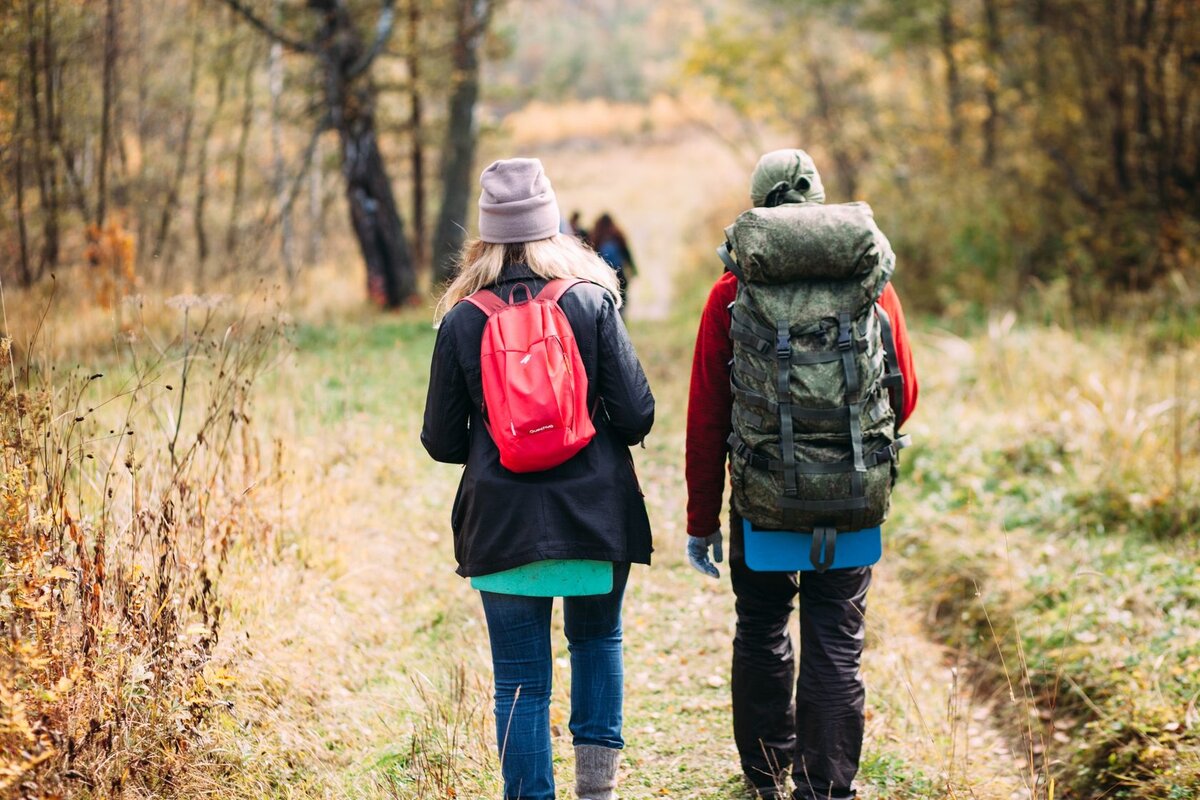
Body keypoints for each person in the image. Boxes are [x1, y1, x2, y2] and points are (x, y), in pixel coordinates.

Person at [684, 149, 919, 800]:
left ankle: (765, 773)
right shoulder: (872, 283)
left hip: (761, 491)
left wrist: (701, 521)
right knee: (836, 636)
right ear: (819, 204)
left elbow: (708, 417)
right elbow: (907, 392)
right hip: (849, 487)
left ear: (758, 208)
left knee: (760, 626)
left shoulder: (731, 291)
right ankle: (826, 789)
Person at [421, 158, 655, 800]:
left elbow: (441, 442)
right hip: (595, 517)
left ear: (486, 234)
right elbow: (637, 415)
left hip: (502, 525)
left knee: (520, 680)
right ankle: (597, 791)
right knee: (597, 639)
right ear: (552, 225)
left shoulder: (463, 318)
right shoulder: (592, 300)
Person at [590, 213, 637, 314]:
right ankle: (620, 322)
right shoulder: (617, 236)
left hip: (603, 276)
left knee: (607, 301)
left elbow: (592, 256)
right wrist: (633, 269)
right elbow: (627, 254)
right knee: (622, 300)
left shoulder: (597, 237)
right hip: (620, 275)